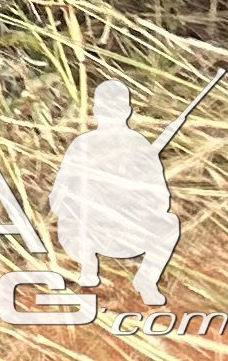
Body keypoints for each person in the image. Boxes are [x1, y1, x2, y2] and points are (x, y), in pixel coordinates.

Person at [53, 82, 183, 303]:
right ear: (127, 111)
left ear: (96, 111)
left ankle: (102, 271)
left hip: (95, 236)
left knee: (167, 222)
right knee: (169, 224)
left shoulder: (84, 143)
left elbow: (57, 198)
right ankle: (134, 277)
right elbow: (161, 199)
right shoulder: (133, 144)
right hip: (109, 235)